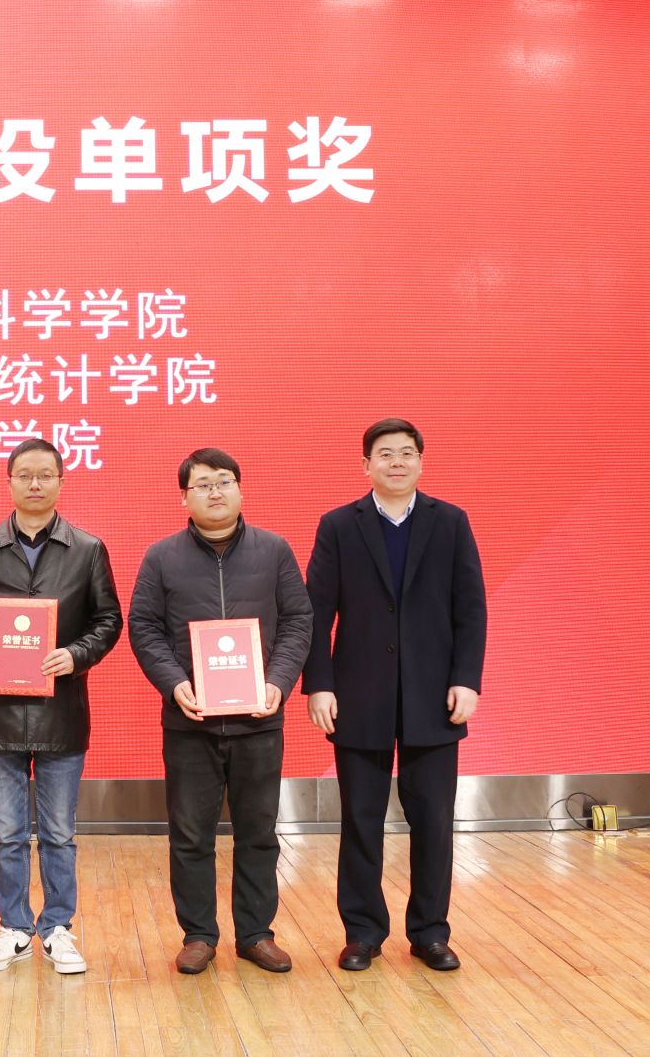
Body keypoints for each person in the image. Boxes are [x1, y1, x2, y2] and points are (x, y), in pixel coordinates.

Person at [303, 418, 486, 973]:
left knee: (434, 820)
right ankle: (363, 932)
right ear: (366, 465)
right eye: (385, 454)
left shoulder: (450, 522)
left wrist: (467, 679)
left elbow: (471, 608)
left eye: (407, 452)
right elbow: (316, 614)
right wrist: (319, 684)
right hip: (359, 694)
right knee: (361, 819)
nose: (397, 462)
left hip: (434, 695)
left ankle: (430, 933)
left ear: (421, 462)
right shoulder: (339, 525)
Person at [129, 447, 311, 976]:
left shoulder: (274, 550)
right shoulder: (162, 557)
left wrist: (279, 682)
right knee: (191, 835)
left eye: (224, 481)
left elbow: (298, 620)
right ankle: (198, 936)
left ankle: (255, 934)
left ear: (239, 489)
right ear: (184, 497)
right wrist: (174, 683)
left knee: (259, 831)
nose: (215, 492)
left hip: (259, 721)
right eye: (203, 484)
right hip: (190, 723)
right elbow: (144, 626)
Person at [0, 437, 123, 975]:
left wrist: (77, 654)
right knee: (8, 834)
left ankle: (58, 927)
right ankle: (15, 928)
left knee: (60, 833)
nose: (36, 483)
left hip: (61, 712)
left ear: (62, 481)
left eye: (46, 474)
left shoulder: (87, 549)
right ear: (10, 483)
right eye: (25, 475)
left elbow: (108, 620)